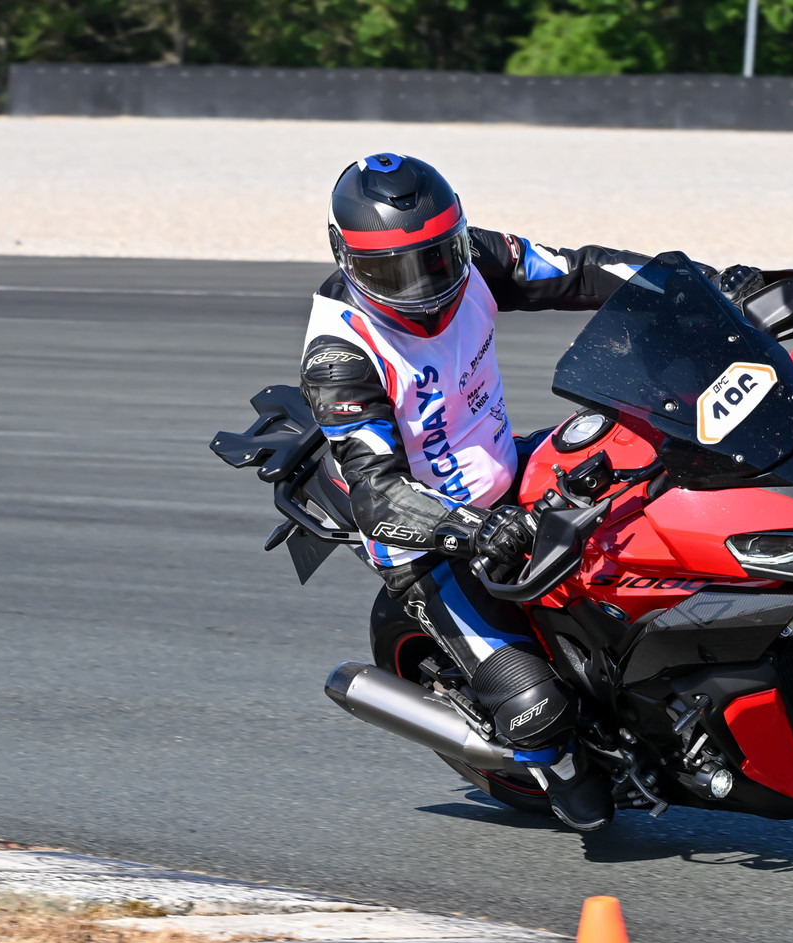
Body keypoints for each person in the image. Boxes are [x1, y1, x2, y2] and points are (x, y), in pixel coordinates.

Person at [297, 152, 762, 832]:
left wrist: (702, 290)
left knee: (666, 473)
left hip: (510, 465)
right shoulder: (339, 357)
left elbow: (582, 270)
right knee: (538, 711)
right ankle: (558, 765)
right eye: (394, 272)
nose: (425, 285)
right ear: (346, 259)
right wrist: (472, 530)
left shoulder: (473, 257)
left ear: (457, 237)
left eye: (436, 259)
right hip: (432, 542)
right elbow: (378, 496)